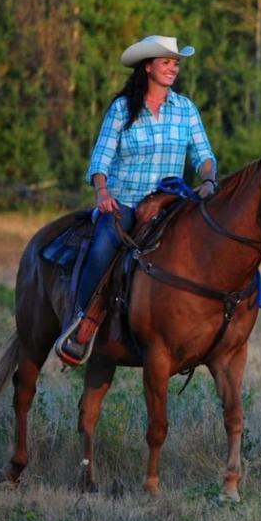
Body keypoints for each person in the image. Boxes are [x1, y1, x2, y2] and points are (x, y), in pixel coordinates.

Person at [54, 35, 218, 366]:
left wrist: (209, 179)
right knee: (103, 245)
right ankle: (84, 321)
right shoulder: (122, 109)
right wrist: (102, 192)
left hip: (170, 204)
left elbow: (203, 155)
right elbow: (100, 159)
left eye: (176, 63)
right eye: (166, 62)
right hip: (125, 202)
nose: (173, 68)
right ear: (148, 67)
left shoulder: (185, 109)